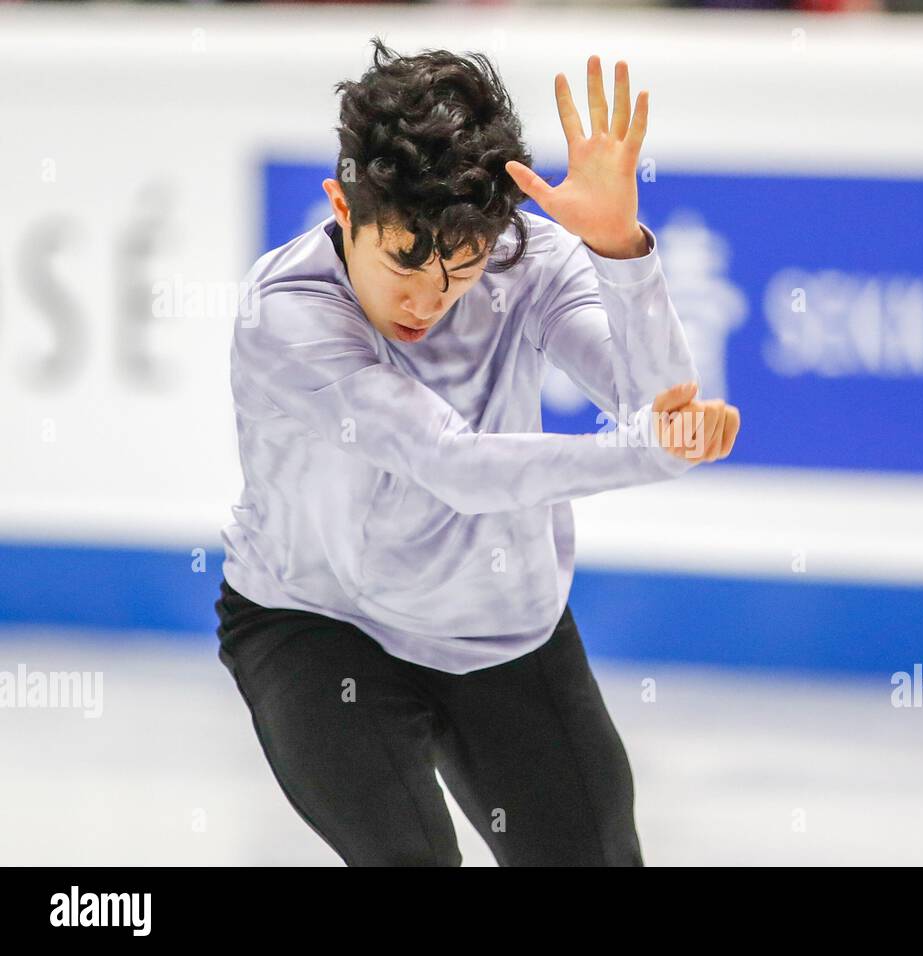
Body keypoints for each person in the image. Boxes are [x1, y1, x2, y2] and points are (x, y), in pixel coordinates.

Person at [214, 39, 740, 866]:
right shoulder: (288, 316)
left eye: (458, 270)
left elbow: (656, 404)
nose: (427, 298)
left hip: (499, 627)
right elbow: (452, 465)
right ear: (343, 209)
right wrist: (650, 456)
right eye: (403, 262)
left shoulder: (528, 262)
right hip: (317, 625)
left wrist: (620, 252)